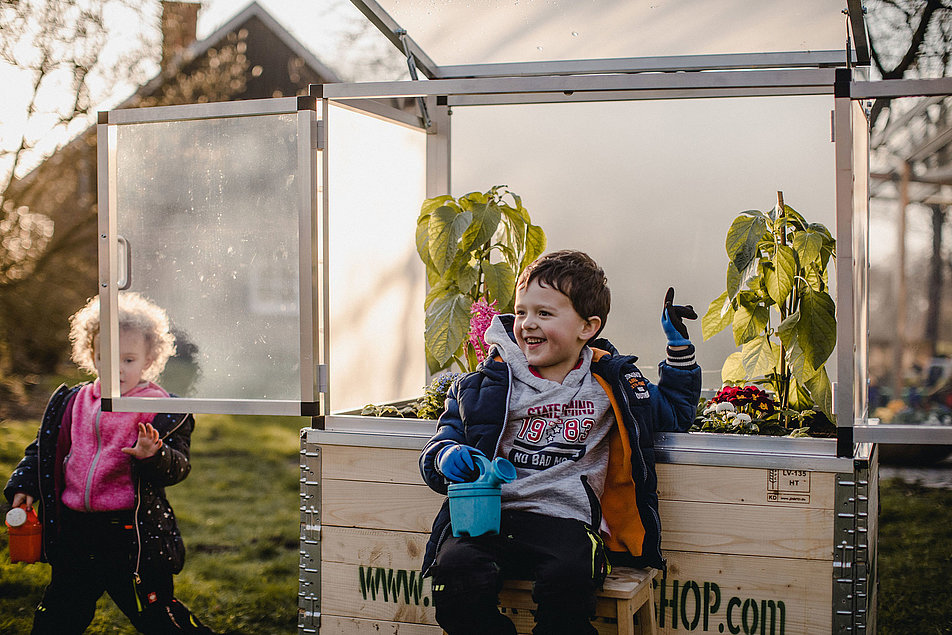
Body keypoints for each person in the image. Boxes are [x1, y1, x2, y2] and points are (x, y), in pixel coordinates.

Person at [419, 250, 702, 635]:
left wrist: (679, 352)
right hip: (487, 520)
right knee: (453, 576)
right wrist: (446, 457)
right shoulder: (486, 383)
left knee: (570, 583)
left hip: (566, 523)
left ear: (588, 327)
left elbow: (673, 414)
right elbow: (446, 436)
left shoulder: (611, 383)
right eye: (521, 312)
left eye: (544, 314)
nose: (527, 324)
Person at [4, 292, 214, 634]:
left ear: (149, 359)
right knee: (59, 613)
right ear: (92, 356)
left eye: (128, 360)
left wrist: (154, 454)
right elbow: (42, 449)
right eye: (106, 358)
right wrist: (25, 486)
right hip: (75, 530)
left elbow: (179, 466)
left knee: (156, 614)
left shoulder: (161, 408)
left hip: (130, 535)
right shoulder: (74, 401)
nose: (116, 369)